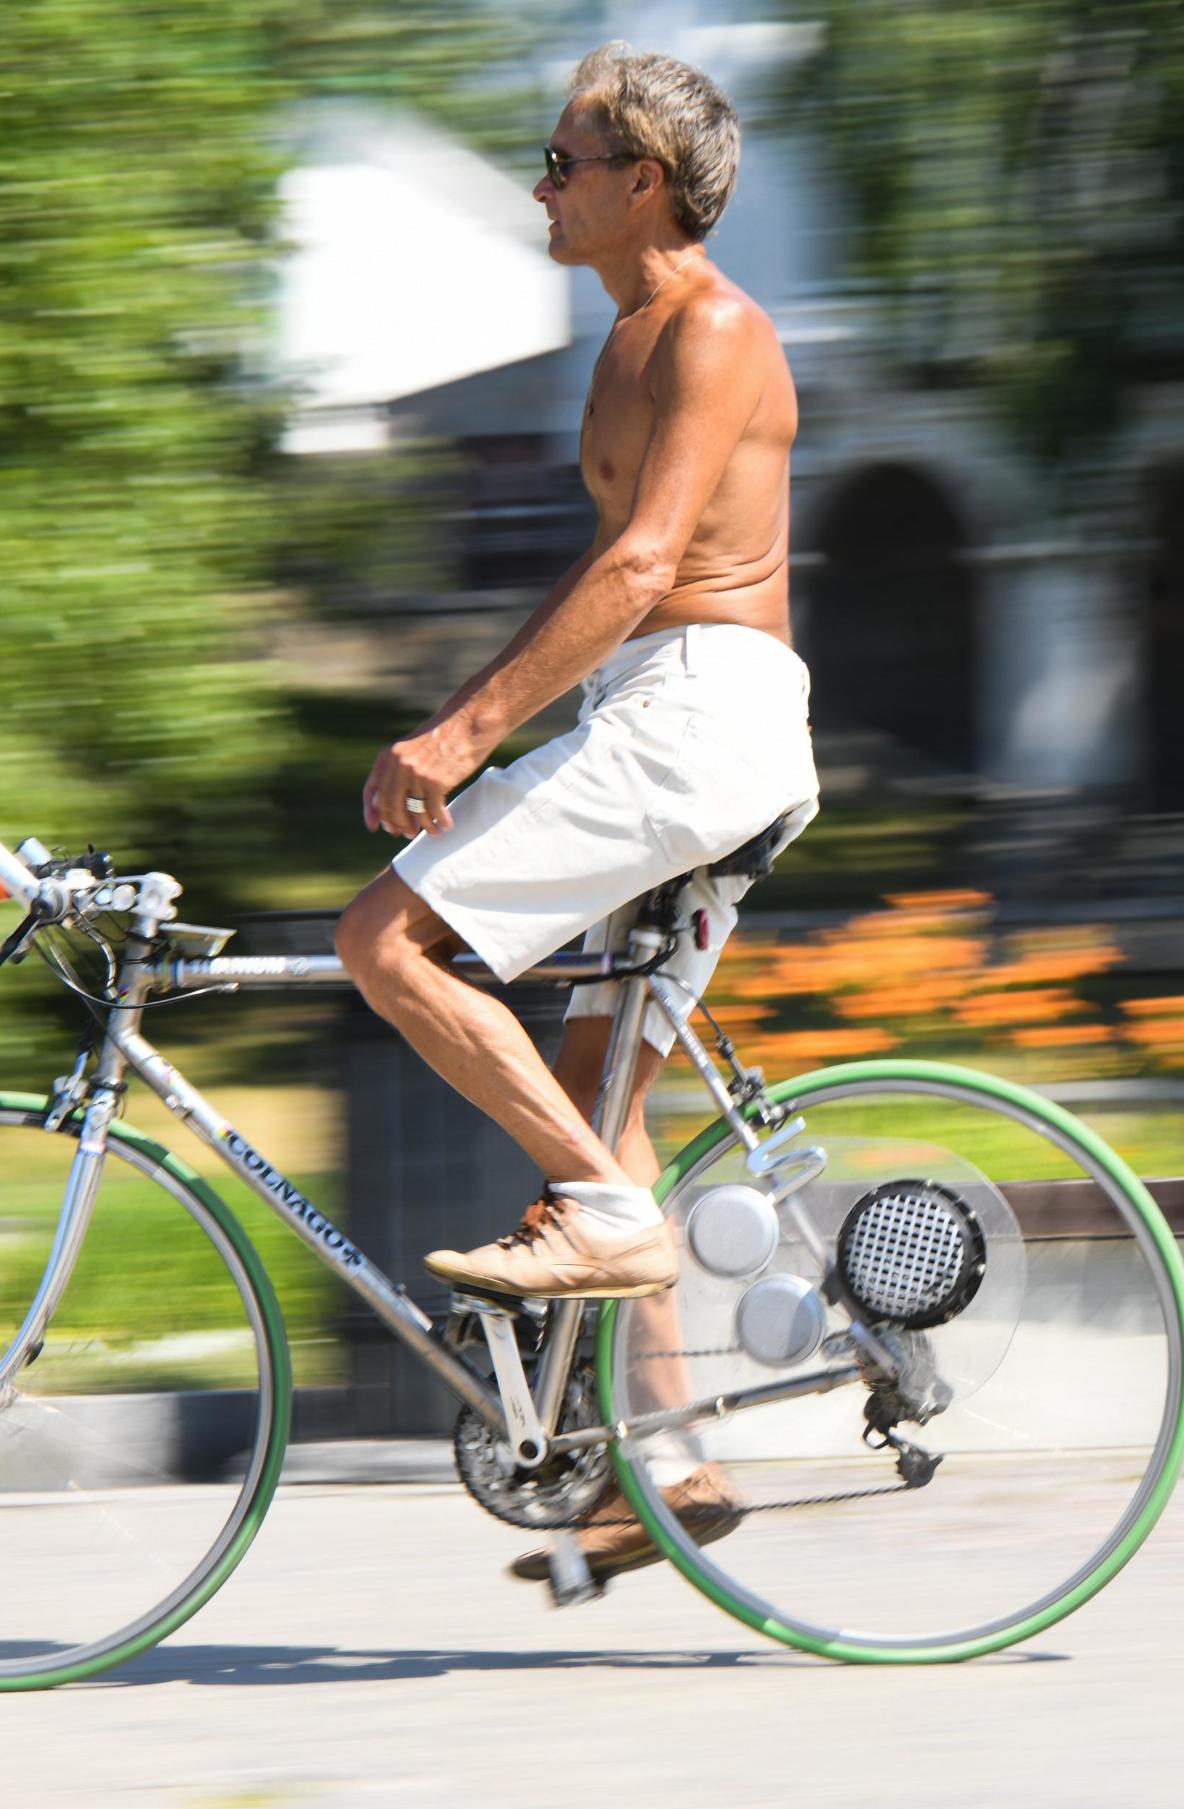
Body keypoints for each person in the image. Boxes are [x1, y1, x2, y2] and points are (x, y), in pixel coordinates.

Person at [332, 43, 817, 1583]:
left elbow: (636, 570)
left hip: (700, 719)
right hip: (667, 720)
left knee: (387, 938)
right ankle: (665, 1471)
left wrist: (464, 733)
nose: (541, 186)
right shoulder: (624, 343)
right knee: (598, 1085)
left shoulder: (716, 331)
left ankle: (605, 1217)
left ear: (641, 184)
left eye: (561, 162)